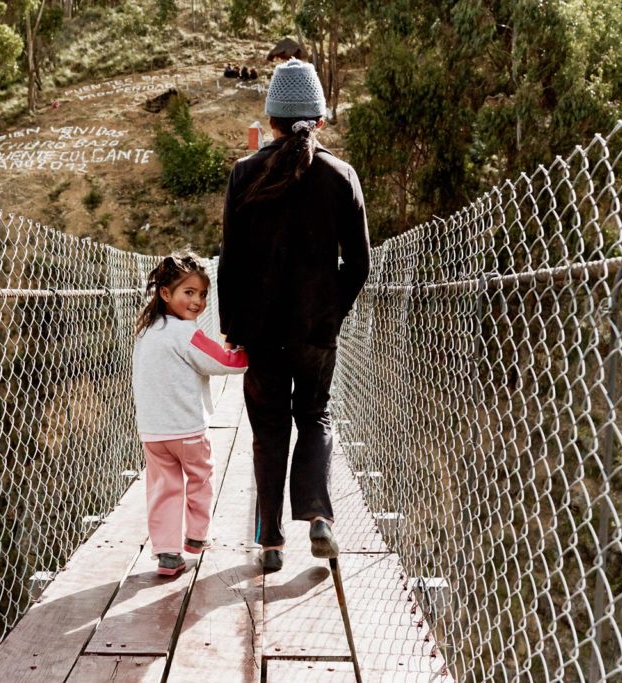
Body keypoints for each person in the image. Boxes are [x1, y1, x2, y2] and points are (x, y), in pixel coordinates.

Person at [218, 58, 370, 574]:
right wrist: (329, 312)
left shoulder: (244, 174)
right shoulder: (340, 176)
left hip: (260, 330)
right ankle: (319, 516)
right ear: (320, 120)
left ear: (271, 121)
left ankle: (270, 541)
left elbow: (230, 260)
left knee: (268, 429)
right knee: (314, 415)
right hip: (313, 330)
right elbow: (360, 263)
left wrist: (231, 327)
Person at [132, 252, 249, 576]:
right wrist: (246, 352)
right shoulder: (187, 333)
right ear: (165, 294)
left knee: (164, 488)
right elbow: (224, 362)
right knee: (200, 479)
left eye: (201, 294)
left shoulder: (146, 331)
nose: (197, 301)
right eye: (189, 293)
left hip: (153, 432)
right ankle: (196, 537)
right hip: (187, 430)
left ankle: (167, 553)